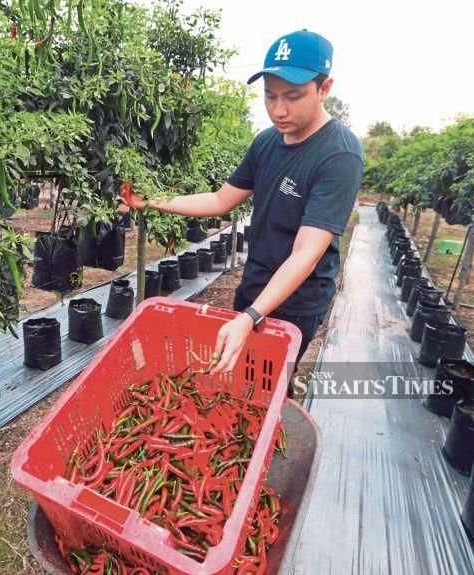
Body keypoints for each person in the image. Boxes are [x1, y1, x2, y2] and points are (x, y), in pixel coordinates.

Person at [120, 30, 363, 385]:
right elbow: (221, 200)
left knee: (267, 383)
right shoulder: (266, 141)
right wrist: (152, 201)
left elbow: (305, 255)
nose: (278, 110)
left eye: (293, 97)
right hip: (255, 283)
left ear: (324, 88)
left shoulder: (339, 154)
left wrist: (250, 317)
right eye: (270, 95)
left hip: (297, 299)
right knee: (239, 379)